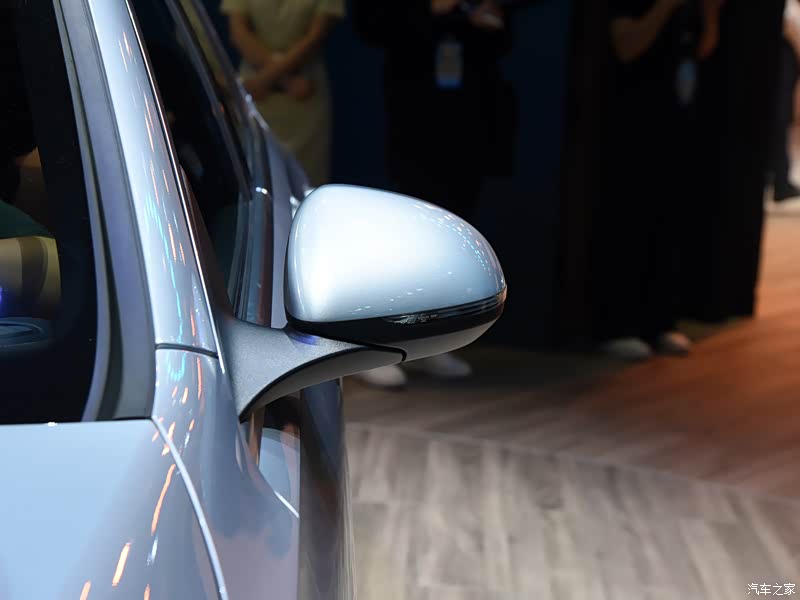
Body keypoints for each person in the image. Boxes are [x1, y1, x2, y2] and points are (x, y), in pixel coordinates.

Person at [351, 0, 515, 387]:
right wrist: (434, 10)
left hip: (468, 115)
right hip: (411, 117)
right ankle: (380, 342)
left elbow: (504, 37)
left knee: (455, 226)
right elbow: (372, 24)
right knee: (403, 230)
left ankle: (433, 341)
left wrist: (481, 19)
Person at [592, 0, 722, 360]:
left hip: (676, 123)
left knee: (670, 224)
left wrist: (710, 12)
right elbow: (626, 47)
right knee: (628, 227)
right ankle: (617, 325)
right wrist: (665, 6)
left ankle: (659, 320)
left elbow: (704, 48)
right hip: (634, 125)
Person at [221, 0, 344, 186]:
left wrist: (265, 80)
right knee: (255, 179)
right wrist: (285, 80)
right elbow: (238, 32)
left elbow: (317, 36)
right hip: (261, 95)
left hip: (303, 100)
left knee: (307, 184)